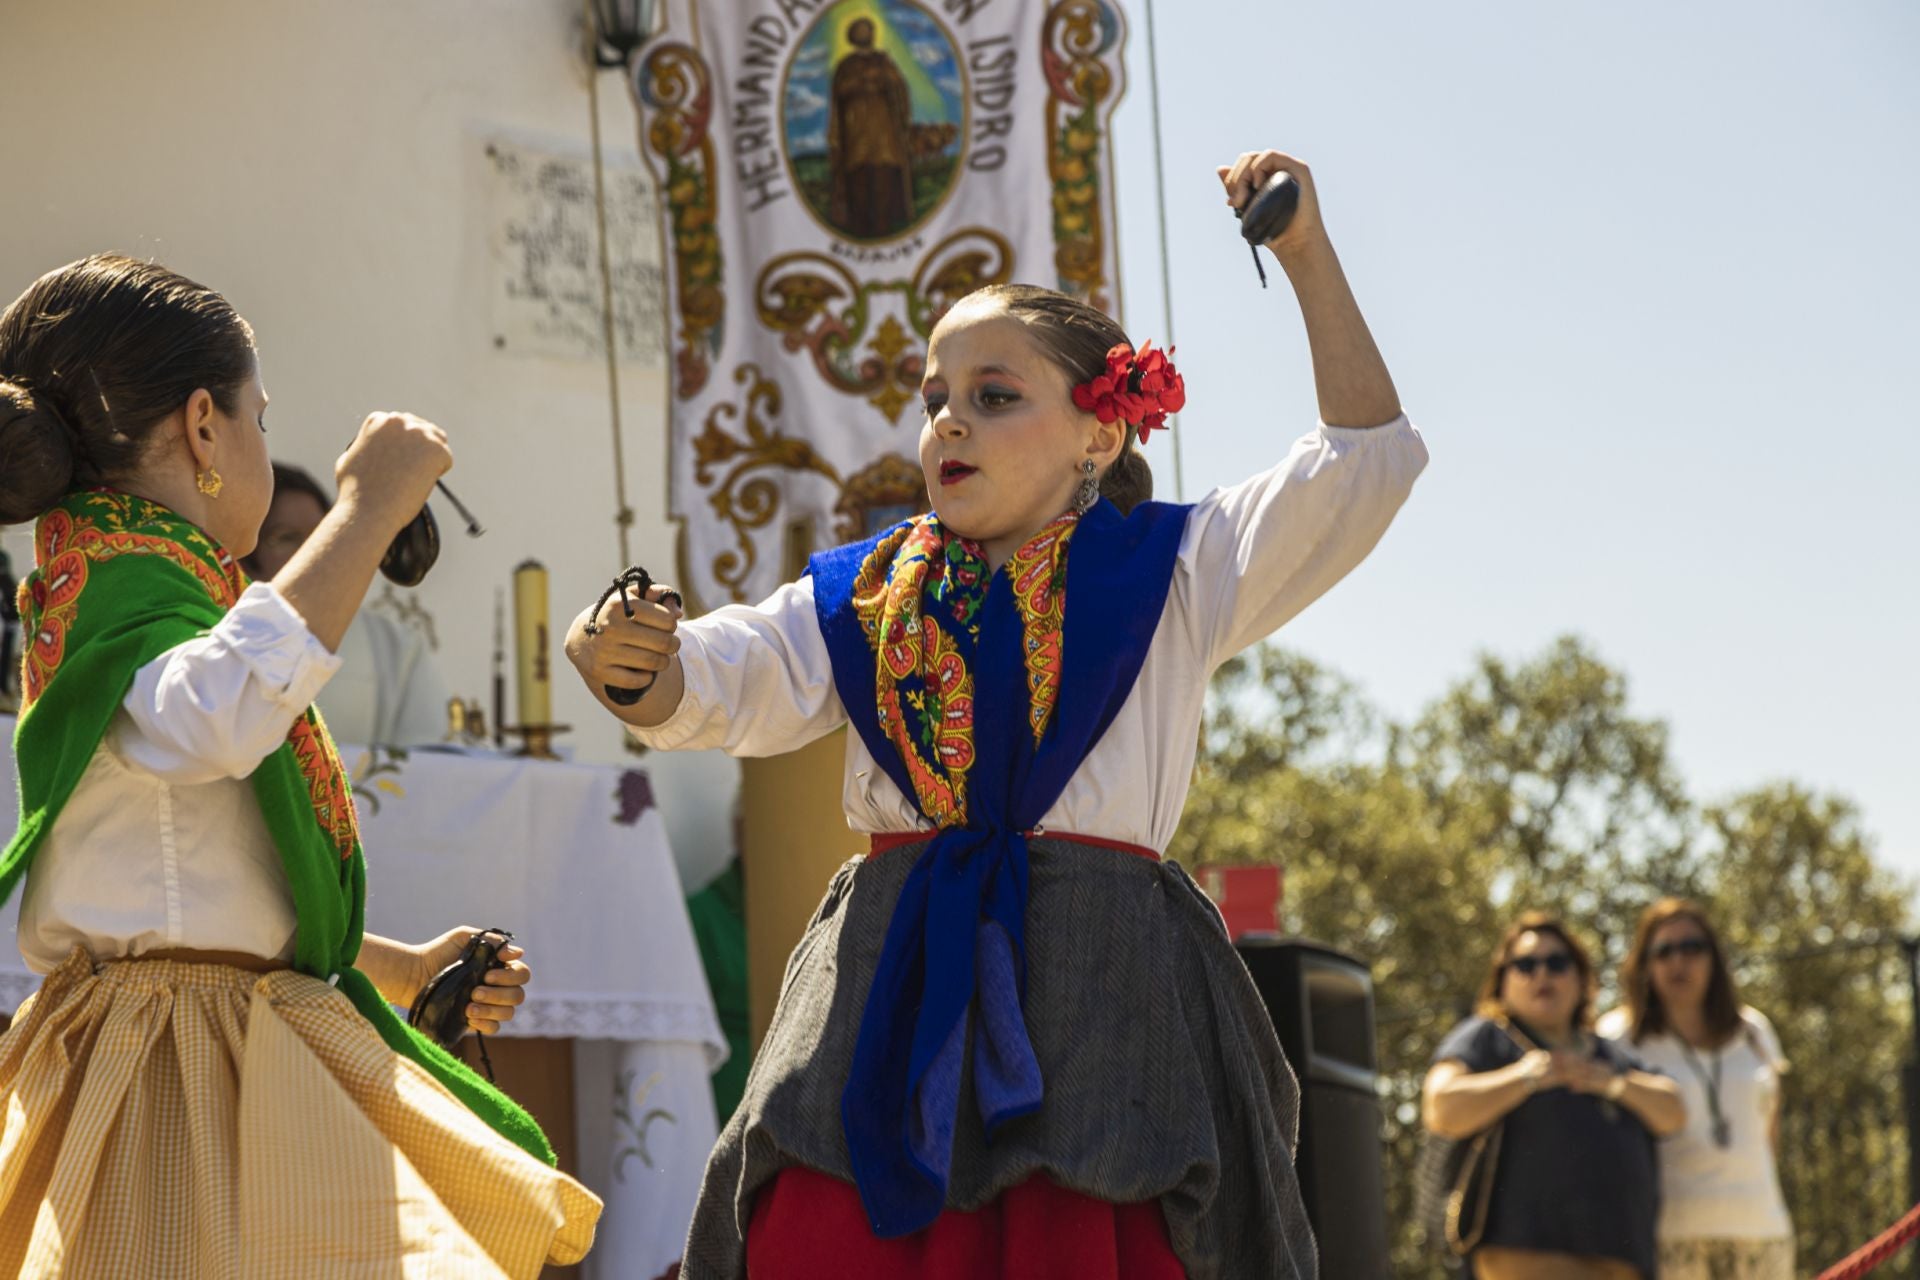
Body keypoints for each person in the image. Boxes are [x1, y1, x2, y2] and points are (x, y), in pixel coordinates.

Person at [567, 148, 1428, 1278]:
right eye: (935, 401)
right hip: (885, 984)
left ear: (1100, 433)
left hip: (1100, 999)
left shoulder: (1176, 570)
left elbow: (1361, 466)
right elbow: (727, 675)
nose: (948, 426)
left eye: (994, 396)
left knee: (1081, 1237)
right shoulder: (865, 591)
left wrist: (1304, 252)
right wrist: (635, 662)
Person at [0, 254, 599, 1276]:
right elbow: (217, 718)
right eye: (259, 417)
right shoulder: (121, 590)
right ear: (202, 428)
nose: (263, 440)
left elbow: (200, 894)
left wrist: (398, 965)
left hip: (200, 1035)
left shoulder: (136, 585)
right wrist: (363, 510)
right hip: (174, 1073)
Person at [1423, 912, 1686, 1280]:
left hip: (1621, 1266)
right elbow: (1441, 1107)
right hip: (1519, 1264)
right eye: (1526, 964)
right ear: (1502, 982)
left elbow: (1673, 1111)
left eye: (1557, 963)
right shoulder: (1488, 1038)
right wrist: (1525, 1078)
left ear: (1581, 980)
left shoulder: (1608, 1056)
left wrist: (1610, 1083)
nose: (1542, 974)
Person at [1597, 900, 1795, 1280]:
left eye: (1692, 948)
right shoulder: (1618, 1038)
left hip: (1762, 1232)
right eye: (1664, 951)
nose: (1678, 962)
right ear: (1645, 964)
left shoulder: (1753, 1031)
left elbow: (1770, 1128)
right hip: (1667, 1240)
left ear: (1714, 959)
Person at [241, 461, 452, 748]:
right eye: (286, 538)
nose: (311, 551)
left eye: (321, 537)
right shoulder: (218, 638)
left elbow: (430, 762)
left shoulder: (395, 647)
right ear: (244, 550)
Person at [828, 16, 914, 238]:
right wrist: (863, 81)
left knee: (882, 190)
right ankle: (861, 234)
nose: (864, 34)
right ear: (852, 37)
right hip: (855, 138)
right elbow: (840, 93)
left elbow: (899, 89)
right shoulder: (845, 66)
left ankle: (882, 233)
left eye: (867, 30)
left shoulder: (884, 62)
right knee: (858, 192)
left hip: (884, 140)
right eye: (859, 31)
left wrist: (882, 80)